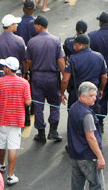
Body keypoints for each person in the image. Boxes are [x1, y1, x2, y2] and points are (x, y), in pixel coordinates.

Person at [0, 57, 31, 186]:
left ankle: (1, 164)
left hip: (1, 118)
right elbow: (28, 102)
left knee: (1, 143)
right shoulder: (24, 83)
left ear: (8, 68)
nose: (3, 68)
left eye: (4, 66)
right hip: (17, 119)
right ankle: (11, 176)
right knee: (12, 146)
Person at [26, 15, 65, 143]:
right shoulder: (56, 40)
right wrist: (65, 76)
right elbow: (60, 60)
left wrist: (33, 72)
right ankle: (53, 131)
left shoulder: (32, 41)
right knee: (54, 104)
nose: (34, 27)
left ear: (40, 26)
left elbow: (29, 61)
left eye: (35, 25)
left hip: (37, 76)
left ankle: (41, 133)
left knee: (38, 105)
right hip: (52, 77)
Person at [67, 81, 105, 190]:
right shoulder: (87, 115)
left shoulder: (74, 108)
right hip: (88, 157)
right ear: (82, 97)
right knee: (97, 186)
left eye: (95, 95)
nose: (95, 98)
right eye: (91, 96)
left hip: (75, 156)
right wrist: (100, 157)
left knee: (77, 186)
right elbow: (91, 137)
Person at [60, 34, 108, 108]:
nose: (73, 47)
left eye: (75, 45)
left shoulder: (72, 59)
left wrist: (62, 93)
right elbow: (104, 77)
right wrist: (101, 89)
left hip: (77, 93)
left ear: (81, 45)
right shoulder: (99, 57)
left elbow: (65, 80)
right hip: (93, 92)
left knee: (75, 115)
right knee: (92, 115)